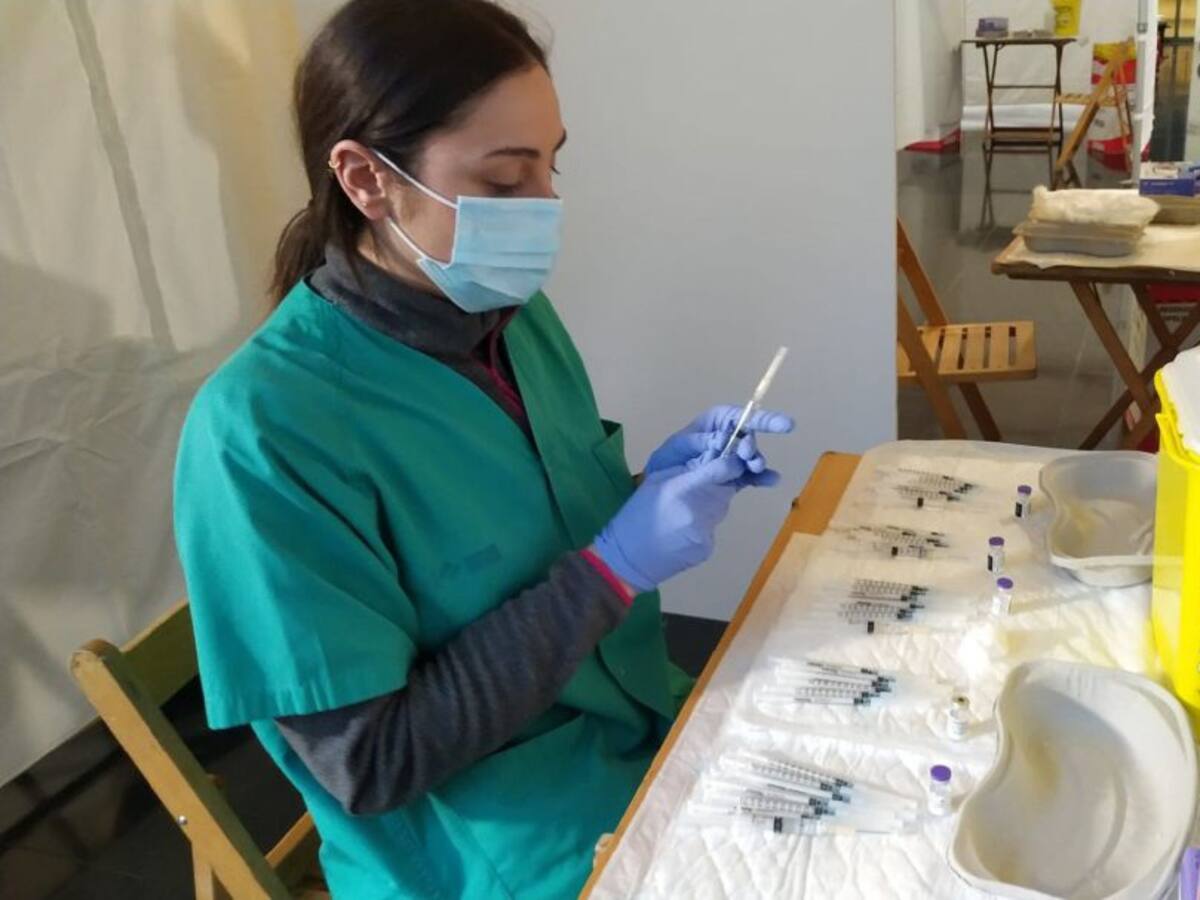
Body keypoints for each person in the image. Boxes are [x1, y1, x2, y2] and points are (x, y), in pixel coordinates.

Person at [173, 0, 793, 896]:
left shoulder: (511, 321)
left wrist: (646, 493)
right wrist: (614, 567)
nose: (546, 207)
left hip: (630, 726)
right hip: (486, 845)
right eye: (505, 181)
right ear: (365, 178)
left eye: (550, 165)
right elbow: (370, 762)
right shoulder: (266, 431)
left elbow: (512, 539)